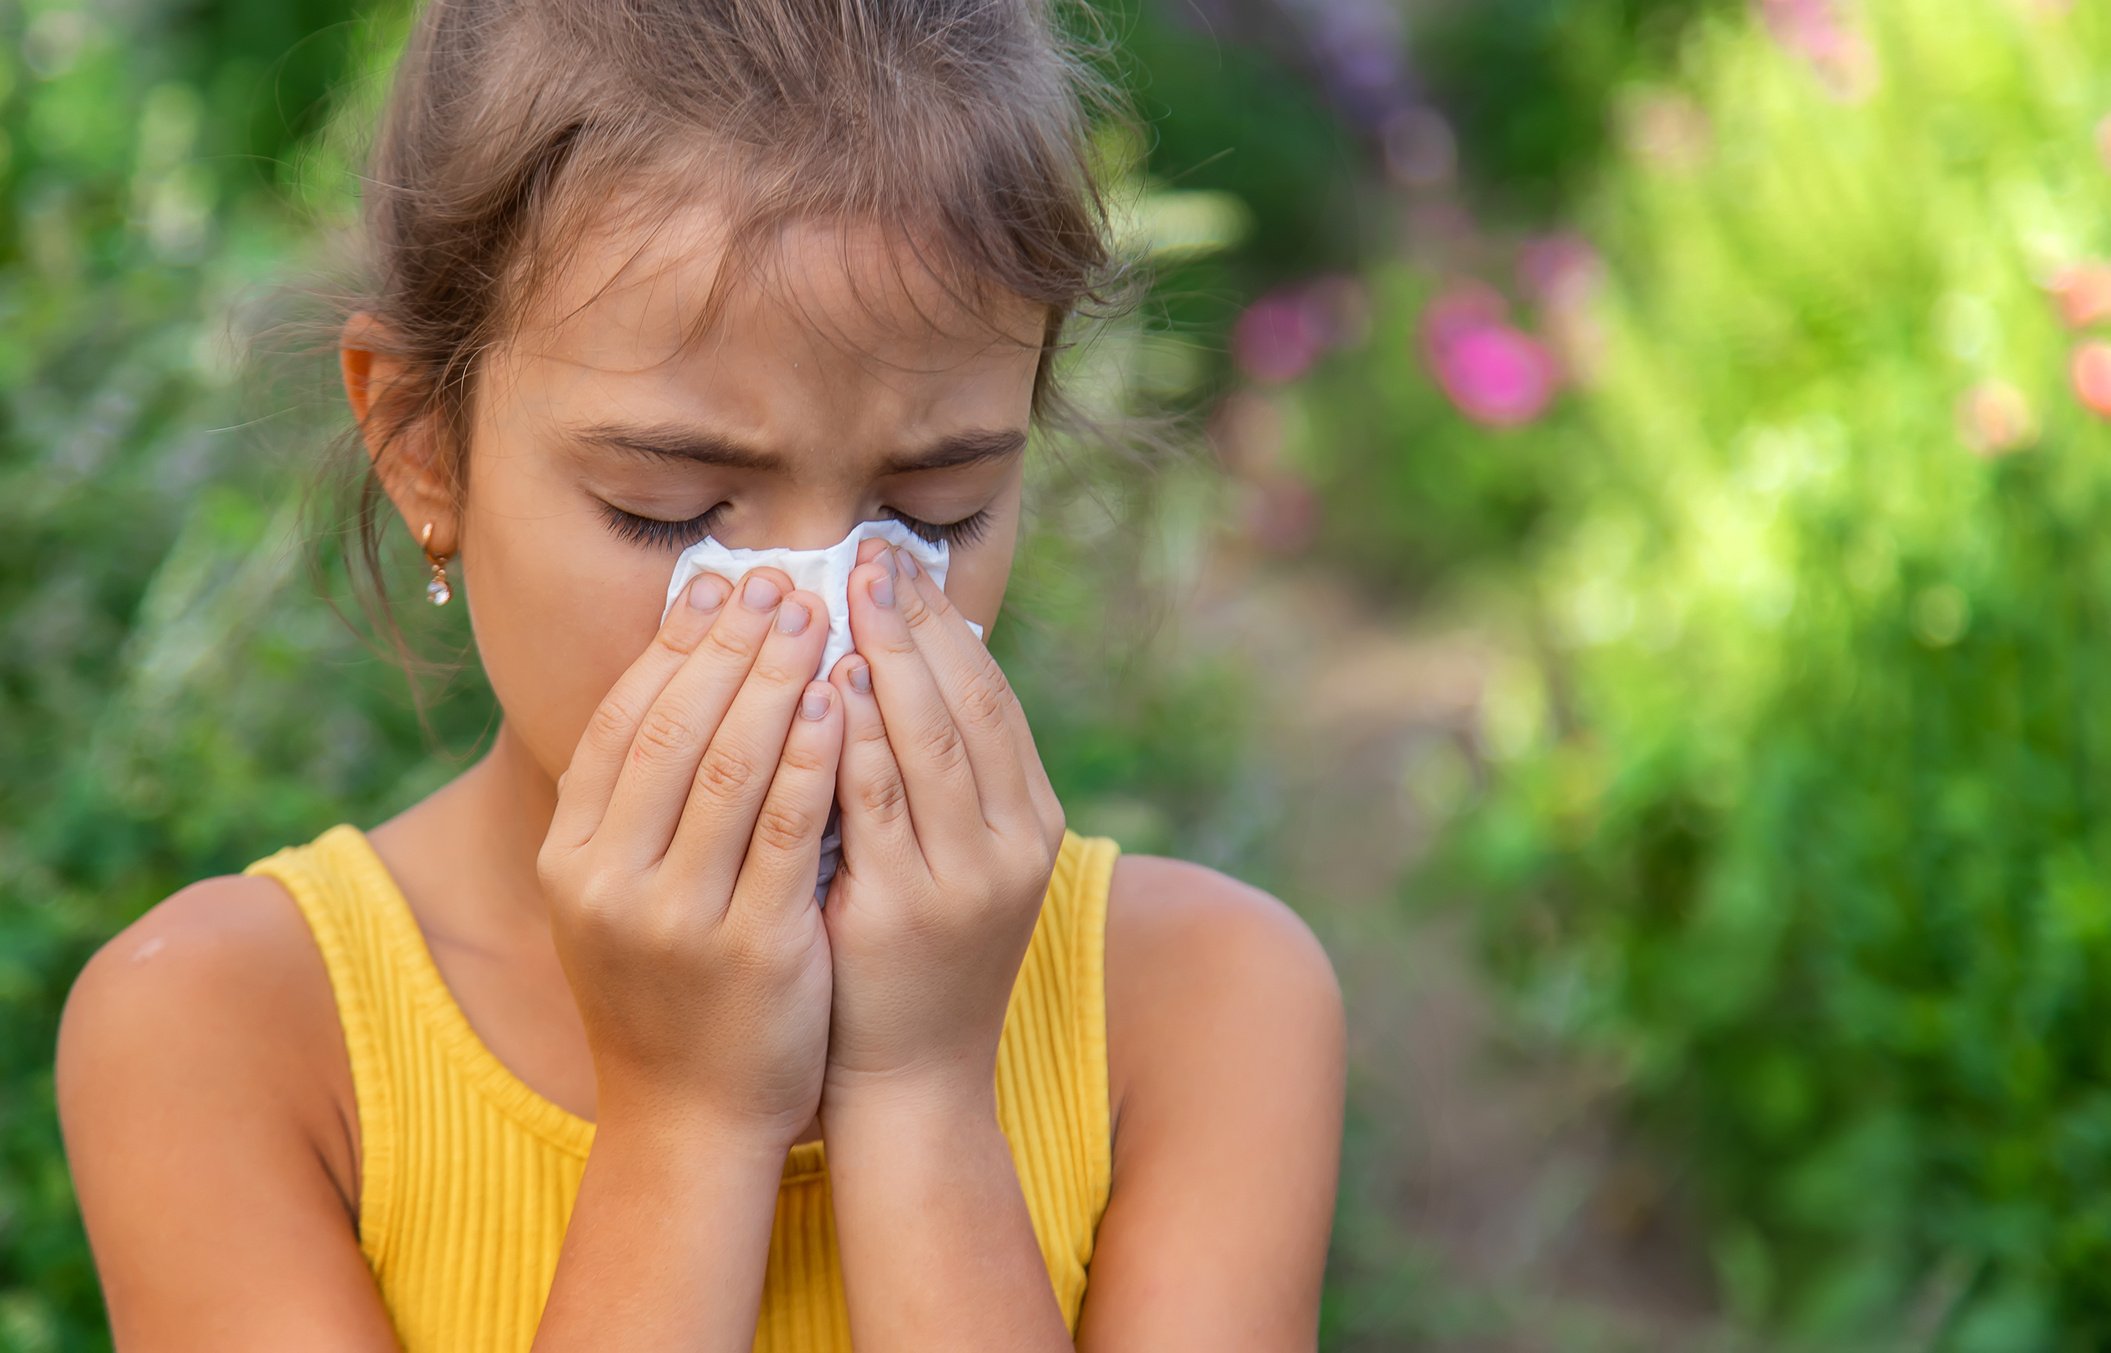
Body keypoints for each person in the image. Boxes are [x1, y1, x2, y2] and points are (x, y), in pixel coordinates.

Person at [52, 0, 1347, 1348]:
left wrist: (920, 1091)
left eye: (939, 506)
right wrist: (688, 1119)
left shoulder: (1207, 1005)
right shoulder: (221, 1031)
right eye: (670, 509)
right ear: (424, 447)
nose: (825, 623)